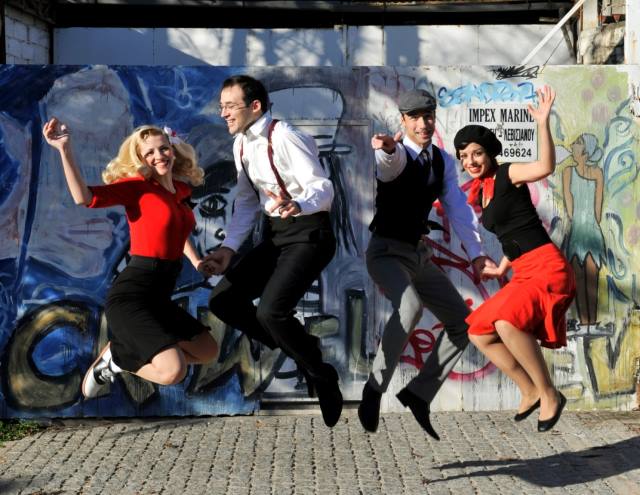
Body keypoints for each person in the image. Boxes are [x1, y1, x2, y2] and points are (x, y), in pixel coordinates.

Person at [43, 118, 219, 398]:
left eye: (163, 148)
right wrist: (64, 149)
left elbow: (177, 230)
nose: (158, 156)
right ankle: (118, 358)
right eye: (149, 153)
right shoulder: (137, 188)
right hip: (132, 296)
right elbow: (83, 197)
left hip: (159, 296)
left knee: (207, 350)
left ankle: (126, 353)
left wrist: (197, 261)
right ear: (140, 159)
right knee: (173, 372)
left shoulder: (181, 190)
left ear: (173, 150)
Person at [204, 75, 342, 427]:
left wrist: (299, 203)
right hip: (277, 235)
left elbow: (322, 188)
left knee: (271, 313)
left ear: (255, 106)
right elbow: (247, 204)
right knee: (224, 300)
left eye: (230, 106)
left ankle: (321, 373)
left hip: (310, 233)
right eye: (221, 106)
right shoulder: (241, 144)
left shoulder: (284, 136)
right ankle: (304, 349)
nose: (223, 113)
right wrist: (228, 249)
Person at [359, 88, 493, 438]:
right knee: (410, 307)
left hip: (418, 255)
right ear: (403, 121)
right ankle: (374, 388)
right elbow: (390, 166)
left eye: (428, 116)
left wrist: (476, 254)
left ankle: (419, 393)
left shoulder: (442, 161)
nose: (423, 124)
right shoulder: (396, 153)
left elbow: (458, 209)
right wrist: (388, 149)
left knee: (463, 323)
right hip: (386, 252)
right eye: (415, 117)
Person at [455, 85, 576, 432]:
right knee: (478, 331)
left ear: (490, 153)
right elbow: (516, 235)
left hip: (548, 268)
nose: (470, 162)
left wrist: (542, 122)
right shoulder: (483, 191)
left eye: (477, 153)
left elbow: (545, 166)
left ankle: (549, 393)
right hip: (523, 271)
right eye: (464, 156)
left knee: (507, 322)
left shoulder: (508, 174)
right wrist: (502, 268)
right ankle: (529, 390)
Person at [562, 133, 606, 329]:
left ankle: (589, 323)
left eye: (578, 143)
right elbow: (597, 211)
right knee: (586, 281)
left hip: (581, 230)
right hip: (590, 230)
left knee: (586, 281)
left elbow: (572, 210)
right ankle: (589, 323)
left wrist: (581, 220)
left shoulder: (570, 173)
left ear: (586, 150)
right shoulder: (594, 173)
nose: (573, 145)